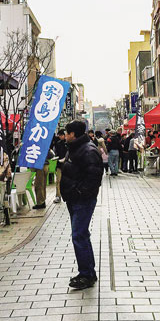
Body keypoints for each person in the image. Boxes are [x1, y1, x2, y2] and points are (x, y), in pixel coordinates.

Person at [60, 120, 104, 290]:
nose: (65, 136)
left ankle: (86, 273)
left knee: (78, 235)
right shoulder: (76, 148)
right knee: (82, 235)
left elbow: (94, 177)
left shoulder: (88, 150)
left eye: (67, 133)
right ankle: (89, 272)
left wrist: (79, 192)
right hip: (74, 199)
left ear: (74, 134)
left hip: (82, 200)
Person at [53, 130, 68, 203]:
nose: (60, 137)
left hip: (68, 165)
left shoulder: (68, 143)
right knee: (58, 181)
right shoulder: (58, 143)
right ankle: (58, 196)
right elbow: (56, 153)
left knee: (67, 181)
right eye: (59, 135)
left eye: (61, 135)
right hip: (59, 164)